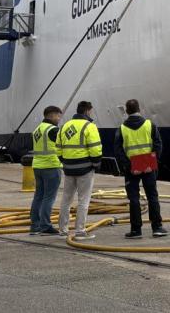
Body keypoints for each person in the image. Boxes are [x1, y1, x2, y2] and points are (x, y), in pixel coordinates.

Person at [114, 99, 167, 238]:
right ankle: (157, 227)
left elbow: (118, 150)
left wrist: (129, 165)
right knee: (152, 197)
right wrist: (151, 163)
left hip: (131, 169)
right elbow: (158, 145)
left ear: (126, 111)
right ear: (140, 109)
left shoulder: (122, 129)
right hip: (149, 167)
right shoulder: (150, 125)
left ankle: (136, 230)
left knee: (134, 199)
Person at [57, 101, 103, 240]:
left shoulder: (64, 126)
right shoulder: (90, 126)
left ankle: (63, 230)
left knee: (66, 199)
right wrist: (96, 164)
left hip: (69, 169)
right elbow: (95, 148)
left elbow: (58, 148)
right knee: (83, 200)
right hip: (85, 169)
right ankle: (80, 231)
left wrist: (65, 162)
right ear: (88, 111)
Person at [28, 105, 64, 236]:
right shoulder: (53, 129)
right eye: (58, 116)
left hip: (37, 166)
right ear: (52, 115)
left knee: (38, 196)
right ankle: (45, 226)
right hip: (51, 166)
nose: (59, 119)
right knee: (49, 197)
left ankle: (35, 225)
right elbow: (62, 146)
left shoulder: (38, 129)